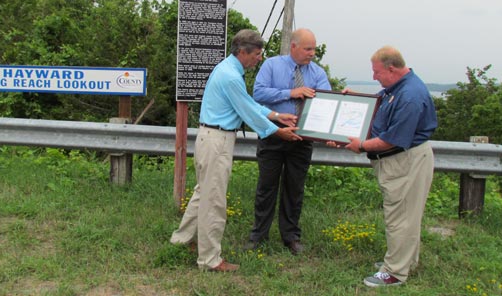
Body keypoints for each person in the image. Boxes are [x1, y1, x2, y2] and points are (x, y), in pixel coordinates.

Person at [170, 29, 303, 272]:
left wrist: (275, 115)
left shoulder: (228, 69)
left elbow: (248, 103)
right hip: (217, 141)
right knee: (214, 202)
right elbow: (248, 111)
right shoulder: (231, 76)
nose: (259, 59)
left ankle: (183, 239)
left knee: (203, 193)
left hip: (210, 137)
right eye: (257, 54)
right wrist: (276, 131)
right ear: (243, 52)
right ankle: (210, 260)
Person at [328, 45, 437, 286]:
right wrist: (356, 97)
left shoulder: (410, 96)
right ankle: (404, 260)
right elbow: (379, 107)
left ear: (392, 68)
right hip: (399, 160)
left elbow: (390, 139)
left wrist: (362, 146)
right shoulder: (396, 88)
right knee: (406, 214)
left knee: (400, 216)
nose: (373, 77)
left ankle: (395, 272)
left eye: (376, 72)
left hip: (405, 161)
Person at [244, 28, 331, 255]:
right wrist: (291, 93)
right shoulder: (272, 65)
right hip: (274, 130)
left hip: (303, 136)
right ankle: (258, 236)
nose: (312, 53)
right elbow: (258, 94)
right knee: (267, 186)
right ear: (293, 46)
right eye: (308, 48)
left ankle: (291, 237)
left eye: (314, 48)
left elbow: (328, 103)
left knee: (294, 188)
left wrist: (332, 132)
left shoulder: (318, 73)